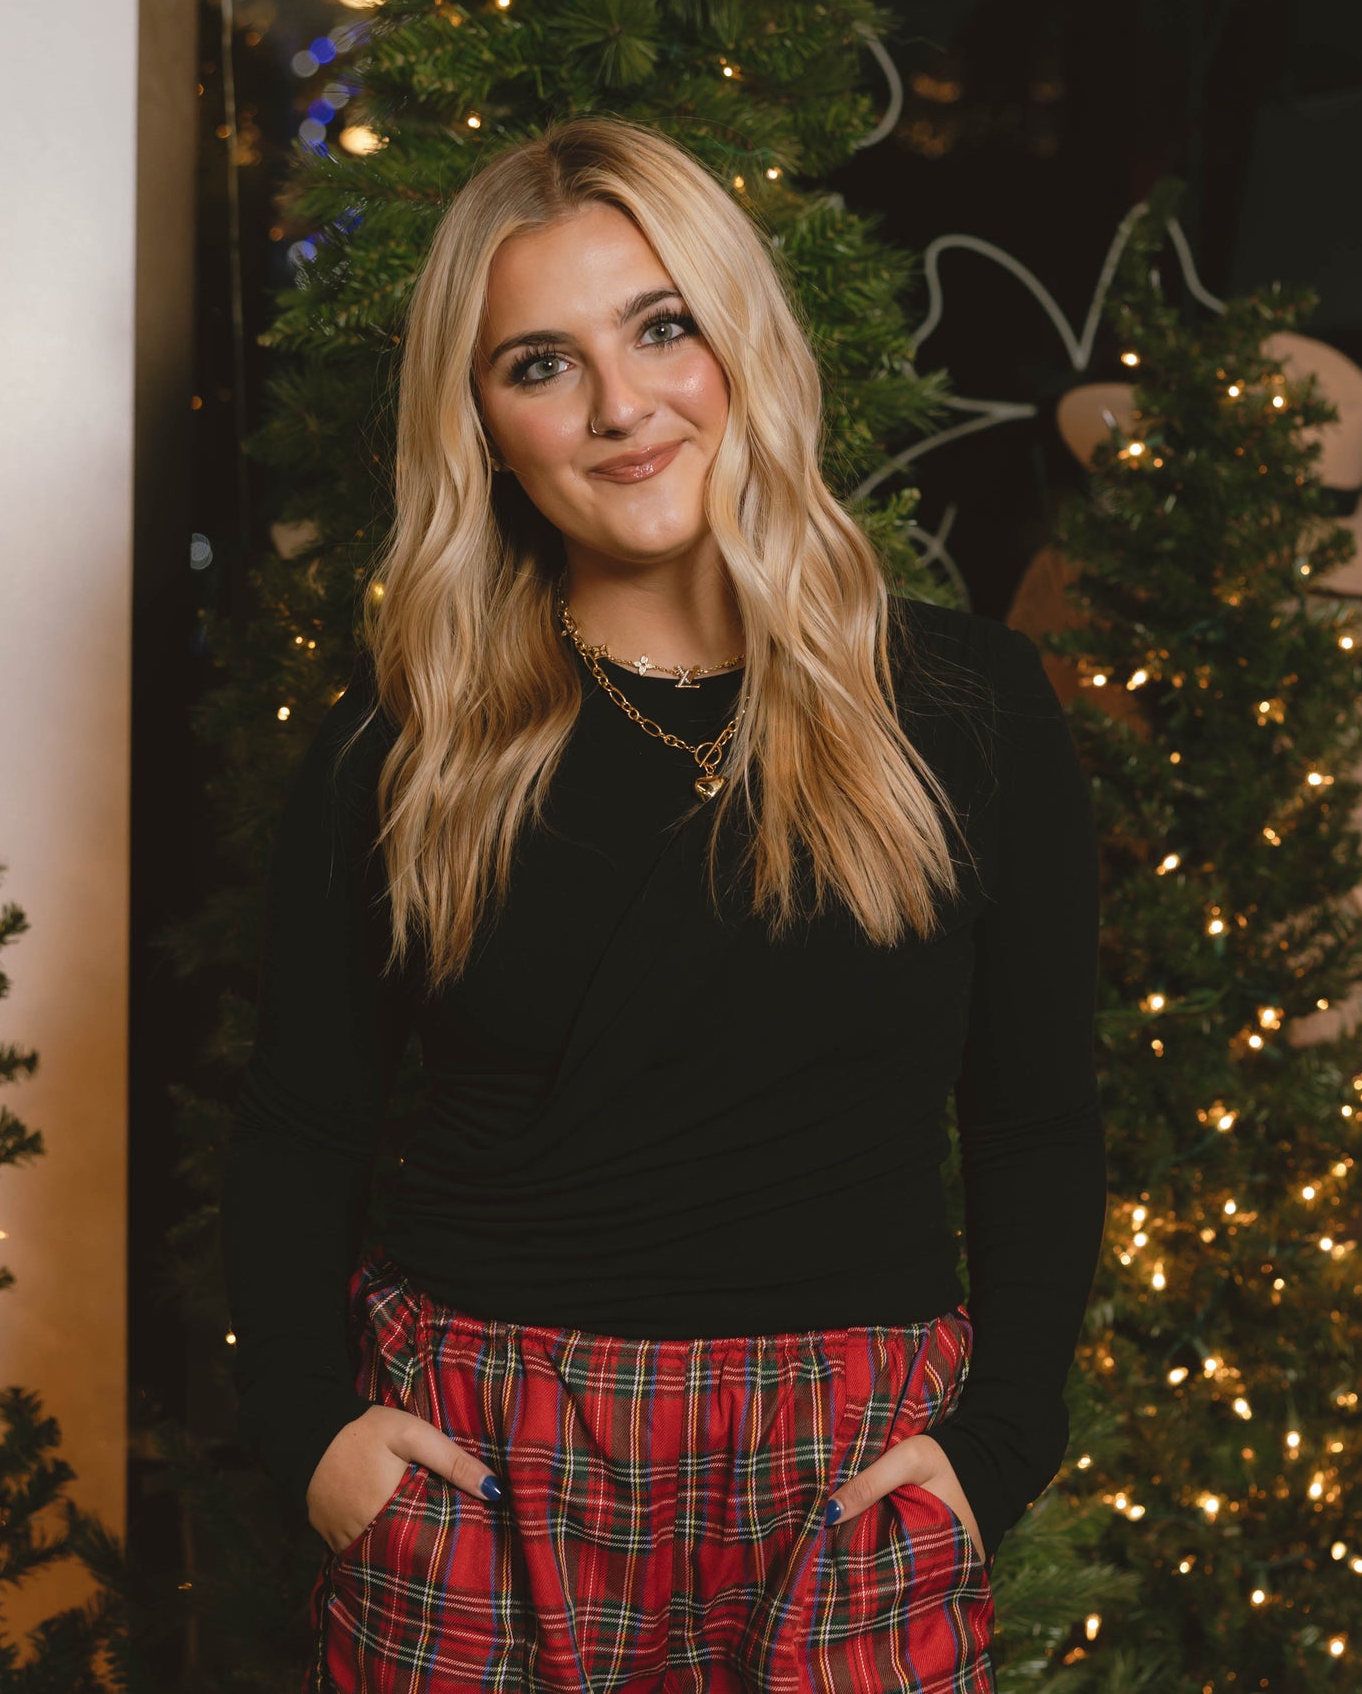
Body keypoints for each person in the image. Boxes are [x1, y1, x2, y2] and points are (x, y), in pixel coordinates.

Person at [220, 114, 1108, 1693]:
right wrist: (313, 1439)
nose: (621, 407)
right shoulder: (397, 743)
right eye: (538, 363)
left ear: (742, 342)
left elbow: (1037, 1113)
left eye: (661, 327)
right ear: (481, 423)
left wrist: (997, 1445)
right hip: (485, 1462)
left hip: (850, 1467)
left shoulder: (968, 706)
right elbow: (300, 1121)